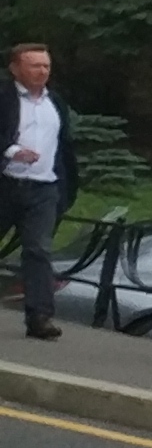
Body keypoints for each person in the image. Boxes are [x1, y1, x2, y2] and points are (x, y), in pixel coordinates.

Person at [4, 39, 74, 341]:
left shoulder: (55, 103)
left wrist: (64, 184)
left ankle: (39, 317)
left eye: (46, 66)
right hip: (6, 183)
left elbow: (64, 145)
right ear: (15, 68)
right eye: (34, 65)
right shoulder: (4, 98)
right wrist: (12, 151)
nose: (42, 71)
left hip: (44, 188)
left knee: (38, 250)